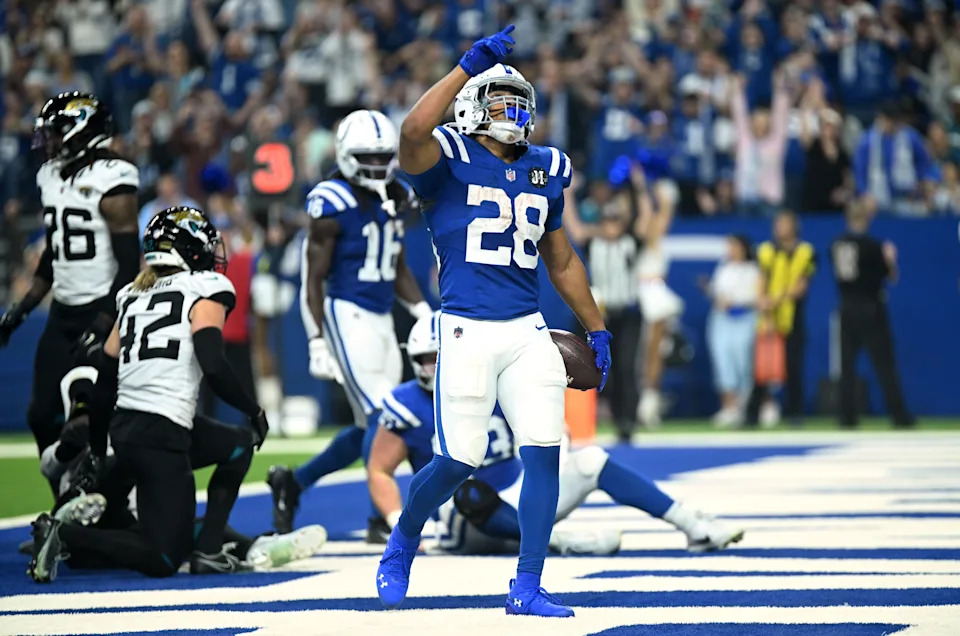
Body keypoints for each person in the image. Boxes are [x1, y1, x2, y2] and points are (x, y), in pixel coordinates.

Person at [375, 26, 611, 617]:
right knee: (458, 460)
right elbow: (410, 131)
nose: (514, 111)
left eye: (519, 102)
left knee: (543, 450)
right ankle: (402, 540)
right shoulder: (448, 158)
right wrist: (464, 65)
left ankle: (527, 586)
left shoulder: (546, 167)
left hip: (528, 329)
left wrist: (596, 326)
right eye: (502, 99)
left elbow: (560, 257)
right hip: (465, 328)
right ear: (473, 107)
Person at [27, 206, 271, 582]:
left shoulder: (130, 295)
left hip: (128, 428)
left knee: (237, 445)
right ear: (190, 250)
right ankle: (66, 535)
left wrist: (96, 447)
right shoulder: (206, 287)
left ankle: (208, 551)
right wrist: (253, 410)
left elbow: (105, 381)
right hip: (161, 432)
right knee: (162, 556)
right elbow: (213, 362)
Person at [368, 314, 743, 556]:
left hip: (515, 495)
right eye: (424, 358)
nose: (432, 365)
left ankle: (694, 525)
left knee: (591, 460)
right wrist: (401, 521)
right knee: (467, 491)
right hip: (458, 517)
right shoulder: (407, 403)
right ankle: (566, 543)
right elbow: (380, 468)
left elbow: (546, 435)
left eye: (438, 355)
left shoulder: (495, 377)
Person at [267, 109, 431, 538]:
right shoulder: (331, 200)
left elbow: (394, 264)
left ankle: (293, 482)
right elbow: (313, 278)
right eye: (367, 157)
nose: (378, 166)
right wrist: (317, 339)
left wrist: (421, 310)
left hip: (380, 315)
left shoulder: (394, 194)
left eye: (383, 156)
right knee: (386, 414)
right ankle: (386, 516)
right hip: (346, 312)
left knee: (370, 423)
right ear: (344, 154)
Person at [0, 92, 141, 469]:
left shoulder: (114, 178)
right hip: (63, 314)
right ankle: (66, 499)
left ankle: (111, 497)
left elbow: (130, 265)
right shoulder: (49, 176)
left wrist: (106, 321)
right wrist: (22, 309)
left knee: (87, 417)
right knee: (40, 416)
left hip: (101, 307)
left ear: (83, 132)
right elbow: (54, 253)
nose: (49, 141)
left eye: (56, 132)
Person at [830, 201, 914, 429]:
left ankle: (846, 417)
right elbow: (889, 276)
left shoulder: (837, 244)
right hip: (870, 307)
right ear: (866, 219)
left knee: (846, 366)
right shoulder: (872, 246)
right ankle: (899, 416)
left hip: (846, 307)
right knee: (884, 364)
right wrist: (889, 259)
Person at [748, 211, 816, 427]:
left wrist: (774, 300)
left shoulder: (806, 252)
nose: (780, 228)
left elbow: (801, 287)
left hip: (792, 317)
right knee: (762, 370)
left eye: (785, 223)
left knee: (794, 368)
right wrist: (763, 305)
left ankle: (795, 414)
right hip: (769, 319)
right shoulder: (766, 251)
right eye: (778, 223)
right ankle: (752, 415)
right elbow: (761, 279)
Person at [633, 168, 683, 429]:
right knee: (644, 353)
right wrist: (656, 198)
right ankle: (645, 402)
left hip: (655, 293)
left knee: (655, 352)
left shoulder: (650, 235)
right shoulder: (640, 236)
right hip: (642, 294)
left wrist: (657, 197)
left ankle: (649, 402)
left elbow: (656, 222)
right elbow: (651, 222)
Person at [705, 235, 761, 427]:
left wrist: (738, 301)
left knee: (745, 362)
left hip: (746, 318)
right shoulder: (723, 269)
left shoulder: (753, 270)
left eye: (735, 246)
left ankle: (748, 406)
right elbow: (717, 293)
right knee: (723, 361)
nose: (731, 250)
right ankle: (729, 407)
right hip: (723, 320)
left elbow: (756, 295)